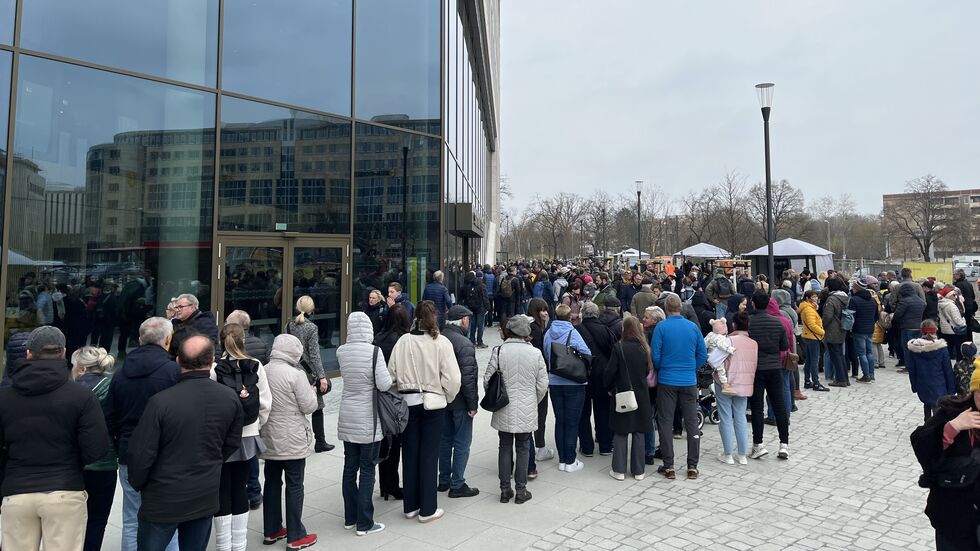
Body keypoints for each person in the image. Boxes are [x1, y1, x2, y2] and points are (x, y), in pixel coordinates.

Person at [127, 335, 244, 551]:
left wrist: (139, 483)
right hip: (204, 495)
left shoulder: (161, 402)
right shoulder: (229, 397)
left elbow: (141, 453)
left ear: (178, 361)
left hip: (163, 498)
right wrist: (212, 463)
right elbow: (231, 442)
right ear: (211, 362)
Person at [0, 327, 109, 551]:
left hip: (17, 490)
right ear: (64, 353)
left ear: (29, 353)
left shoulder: (5, 397)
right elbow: (96, 450)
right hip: (64, 489)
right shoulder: (81, 396)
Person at [103, 317, 181, 551]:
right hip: (166, 454)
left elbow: (109, 417)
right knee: (169, 518)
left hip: (129, 452)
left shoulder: (120, 374)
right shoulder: (173, 372)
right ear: (168, 340)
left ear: (139, 339)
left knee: (131, 517)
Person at [388, 301, 461, 524]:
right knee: (430, 455)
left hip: (408, 402)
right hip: (433, 402)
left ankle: (411, 505)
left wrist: (399, 394)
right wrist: (446, 397)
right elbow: (453, 378)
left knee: (409, 453)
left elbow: (391, 374)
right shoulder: (441, 342)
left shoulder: (403, 341)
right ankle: (428, 508)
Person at [211, 323, 271, 551]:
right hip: (247, 437)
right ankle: (240, 544)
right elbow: (265, 403)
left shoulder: (215, 369)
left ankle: (223, 545)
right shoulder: (256, 365)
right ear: (243, 340)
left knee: (222, 489)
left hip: (223, 439)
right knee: (241, 487)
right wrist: (254, 425)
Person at [260, 333, 319, 547]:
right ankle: (296, 535)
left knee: (272, 482)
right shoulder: (296, 374)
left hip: (269, 435)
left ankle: (272, 529)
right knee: (295, 484)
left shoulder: (263, 371)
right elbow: (309, 406)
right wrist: (312, 391)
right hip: (292, 436)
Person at [337, 311, 393, 536]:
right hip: (368, 418)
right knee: (368, 469)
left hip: (347, 414)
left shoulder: (341, 351)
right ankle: (365, 522)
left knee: (350, 468)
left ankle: (350, 517)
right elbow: (384, 384)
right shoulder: (374, 352)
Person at [910, 370, 980, 550]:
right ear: (973, 391)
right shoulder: (953, 411)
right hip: (953, 517)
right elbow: (920, 444)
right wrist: (952, 427)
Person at [485, 315, 549, 503]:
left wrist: (496, 398)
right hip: (526, 405)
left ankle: (505, 489)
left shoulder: (499, 351)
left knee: (504, 446)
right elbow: (543, 383)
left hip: (503, 406)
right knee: (523, 447)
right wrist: (533, 400)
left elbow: (487, 380)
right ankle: (521, 490)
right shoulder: (535, 353)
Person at [652, 294, 707, 480]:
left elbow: (656, 356)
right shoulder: (692, 327)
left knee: (665, 421)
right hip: (688, 379)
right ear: (681, 309)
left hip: (667, 379)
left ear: (666, 308)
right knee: (691, 422)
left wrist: (663, 367)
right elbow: (702, 354)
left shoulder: (661, 327)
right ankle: (692, 465)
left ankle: (669, 465)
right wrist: (692, 367)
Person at [71, 346, 118, 551]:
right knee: (97, 521)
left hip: (73, 464)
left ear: (81, 368)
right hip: (105, 463)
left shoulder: (69, 390)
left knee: (70, 523)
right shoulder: (113, 387)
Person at [223, 310, 268, 510]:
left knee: (227, 477)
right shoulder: (257, 361)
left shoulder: (217, 366)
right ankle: (254, 493)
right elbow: (265, 400)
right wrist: (258, 422)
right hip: (249, 426)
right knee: (249, 462)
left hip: (225, 431)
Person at [543, 304, 593, 473]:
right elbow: (586, 352)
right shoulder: (573, 332)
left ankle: (562, 459)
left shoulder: (548, 333)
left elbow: (546, 353)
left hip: (555, 381)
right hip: (573, 382)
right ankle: (570, 460)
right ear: (570, 317)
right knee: (572, 422)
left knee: (560, 420)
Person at [437, 305, 480, 498]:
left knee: (445, 440)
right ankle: (457, 483)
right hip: (460, 401)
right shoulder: (463, 343)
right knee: (462, 441)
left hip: (440, 398)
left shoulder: (438, 338)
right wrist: (472, 404)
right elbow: (468, 377)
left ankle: (444, 479)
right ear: (463, 320)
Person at [604, 316, 654, 481]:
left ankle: (619, 470)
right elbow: (647, 371)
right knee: (639, 431)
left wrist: (609, 388)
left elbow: (610, 372)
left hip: (622, 393)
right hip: (641, 394)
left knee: (621, 431)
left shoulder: (619, 347)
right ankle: (638, 470)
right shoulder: (644, 348)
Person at [373, 304, 411, 500]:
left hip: (378, 396)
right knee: (395, 442)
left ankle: (385, 485)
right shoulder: (403, 340)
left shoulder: (378, 338)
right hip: (395, 395)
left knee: (384, 440)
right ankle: (393, 486)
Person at [286, 296, 333, 453]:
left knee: (293, 406)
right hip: (307, 372)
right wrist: (321, 376)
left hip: (292, 369)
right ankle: (320, 441)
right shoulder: (311, 328)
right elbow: (314, 355)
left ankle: (293, 440)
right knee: (317, 405)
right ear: (311, 310)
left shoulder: (288, 325)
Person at [710, 312, 758, 465]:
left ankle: (728, 454)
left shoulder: (729, 340)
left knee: (725, 417)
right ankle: (742, 454)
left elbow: (713, 360)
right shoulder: (753, 343)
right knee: (740, 417)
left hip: (726, 383)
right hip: (745, 383)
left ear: (734, 325)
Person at [747, 291, 791, 460]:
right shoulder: (779, 323)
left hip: (757, 369)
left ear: (754, 303)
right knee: (779, 406)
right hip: (775, 368)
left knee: (757, 408)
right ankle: (784, 445)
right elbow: (784, 346)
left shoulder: (749, 323)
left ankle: (758, 444)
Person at [576, 301, 617, 458]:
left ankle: (586, 447)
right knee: (603, 411)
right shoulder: (605, 330)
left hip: (583, 375)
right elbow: (613, 352)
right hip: (602, 375)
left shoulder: (577, 330)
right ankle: (605, 445)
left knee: (583, 412)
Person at [907, 320, 954, 422]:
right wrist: (951, 389)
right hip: (939, 385)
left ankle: (927, 425)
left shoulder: (915, 349)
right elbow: (948, 370)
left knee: (927, 404)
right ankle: (934, 431)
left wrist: (914, 386)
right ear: (935, 331)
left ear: (921, 331)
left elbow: (912, 370)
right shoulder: (941, 349)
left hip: (922, 384)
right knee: (938, 411)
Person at [527, 298, 553, 478]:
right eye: (542, 310)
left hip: (530, 378)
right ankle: (539, 446)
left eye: (546, 310)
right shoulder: (536, 330)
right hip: (536, 378)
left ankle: (536, 446)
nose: (545, 313)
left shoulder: (534, 327)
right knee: (539, 412)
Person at [849, 278, 879, 383]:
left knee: (862, 353)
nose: (852, 289)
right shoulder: (873, 300)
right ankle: (871, 374)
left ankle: (866, 376)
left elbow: (851, 317)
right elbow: (877, 316)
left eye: (853, 287)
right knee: (869, 352)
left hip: (858, 329)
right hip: (870, 329)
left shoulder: (854, 300)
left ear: (857, 288)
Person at [822, 278, 850, 387]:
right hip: (842, 328)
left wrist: (823, 325)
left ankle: (840, 380)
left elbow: (828, 316)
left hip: (832, 330)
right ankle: (845, 379)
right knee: (840, 355)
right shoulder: (844, 297)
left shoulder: (832, 299)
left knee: (835, 355)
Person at [894, 281, 927, 372]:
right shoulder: (921, 301)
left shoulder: (904, 301)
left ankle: (908, 367)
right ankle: (917, 366)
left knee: (907, 348)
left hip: (907, 327)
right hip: (918, 327)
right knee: (917, 348)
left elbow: (897, 314)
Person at [799, 290, 828, 392]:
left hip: (809, 336)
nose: (816, 298)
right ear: (808, 298)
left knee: (809, 360)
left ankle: (807, 381)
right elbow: (812, 324)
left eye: (816, 296)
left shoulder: (808, 308)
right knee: (814, 361)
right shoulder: (809, 309)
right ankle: (816, 383)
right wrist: (823, 332)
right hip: (813, 337)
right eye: (814, 297)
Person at [938, 287, 967, 361]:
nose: (956, 296)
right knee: (958, 350)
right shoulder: (952, 306)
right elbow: (957, 320)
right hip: (954, 330)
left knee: (948, 350)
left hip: (945, 329)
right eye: (954, 295)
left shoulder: (940, 304)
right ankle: (958, 366)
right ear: (949, 296)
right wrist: (963, 322)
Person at [462, 271, 490, 348]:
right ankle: (480, 342)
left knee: (473, 324)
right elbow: (485, 297)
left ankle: (472, 340)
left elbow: (467, 296)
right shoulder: (482, 285)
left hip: (472, 307)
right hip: (480, 308)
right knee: (480, 325)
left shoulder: (470, 285)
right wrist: (487, 307)